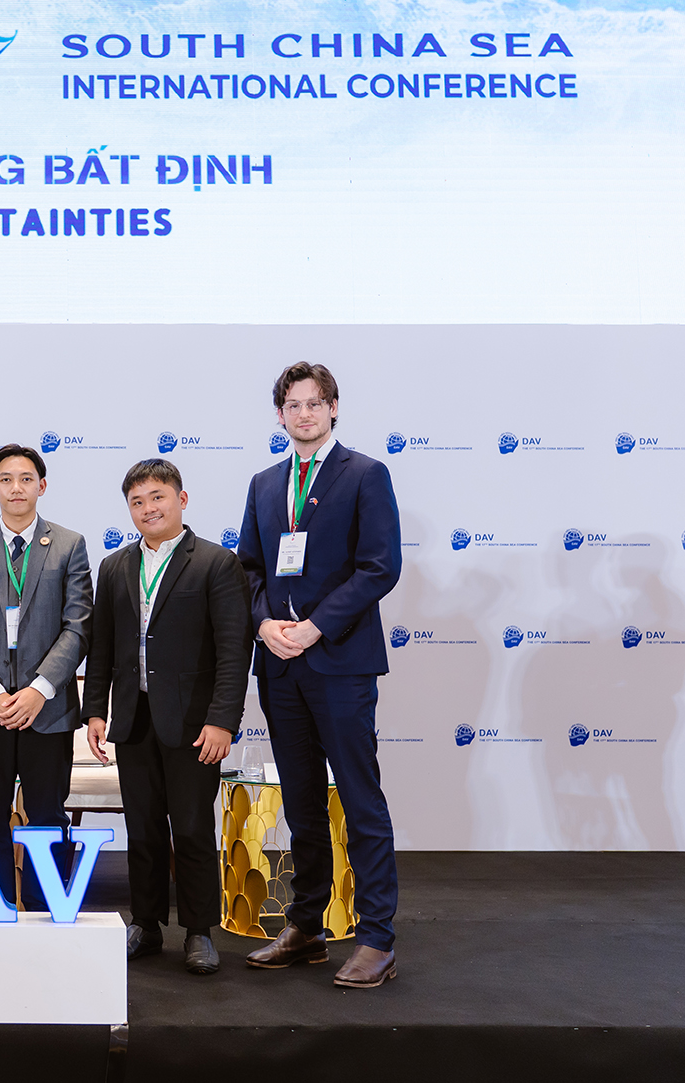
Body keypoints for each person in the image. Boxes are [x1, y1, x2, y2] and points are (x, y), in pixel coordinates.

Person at [236, 361, 403, 988]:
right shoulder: (264, 483)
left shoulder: (365, 474)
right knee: (302, 804)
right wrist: (263, 625)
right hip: (279, 666)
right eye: (293, 405)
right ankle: (307, 926)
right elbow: (249, 568)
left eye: (314, 403)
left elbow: (379, 566)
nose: (303, 414)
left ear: (333, 408)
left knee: (360, 801)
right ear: (279, 414)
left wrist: (316, 627)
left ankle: (377, 939)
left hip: (339, 663)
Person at [83, 459, 249, 974]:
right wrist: (95, 711)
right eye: (137, 502)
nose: (148, 509)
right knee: (144, 828)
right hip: (133, 719)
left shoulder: (216, 563)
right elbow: (102, 645)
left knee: (193, 828)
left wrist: (223, 720)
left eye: (157, 497)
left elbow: (233, 649)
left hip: (195, 725)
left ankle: (199, 931)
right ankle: (146, 924)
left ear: (181, 499)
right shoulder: (115, 566)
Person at [0, 444, 92, 912]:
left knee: (47, 815)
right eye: (6, 479)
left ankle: (45, 910)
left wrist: (38, 690)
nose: (16, 488)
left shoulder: (69, 544)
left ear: (41, 486)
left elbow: (78, 627)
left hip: (47, 709)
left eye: (26, 479)